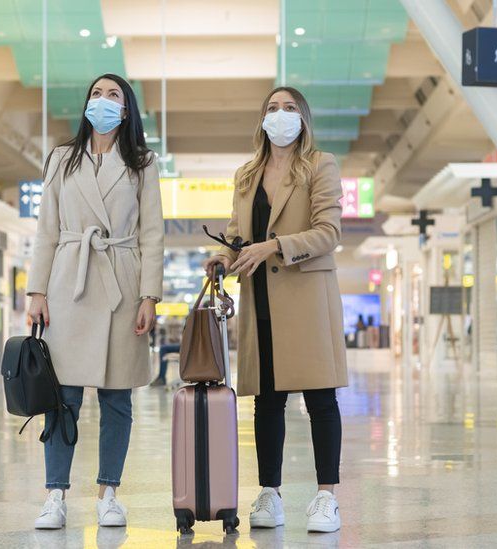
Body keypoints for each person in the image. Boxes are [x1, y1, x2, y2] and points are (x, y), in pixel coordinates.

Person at [203, 86, 348, 534]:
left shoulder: (319, 165)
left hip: (307, 297)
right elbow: (236, 234)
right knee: (267, 402)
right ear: (261, 118)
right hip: (260, 297)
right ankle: (270, 493)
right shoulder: (247, 174)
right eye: (271, 108)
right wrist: (223, 259)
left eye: (289, 108)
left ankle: (327, 497)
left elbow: (328, 232)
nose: (279, 115)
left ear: (303, 118)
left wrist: (275, 246)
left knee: (320, 399)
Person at [26, 73, 164, 530]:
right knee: (61, 396)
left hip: (121, 282)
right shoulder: (62, 159)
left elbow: (152, 233)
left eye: (113, 96)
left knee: (116, 397)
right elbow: (46, 229)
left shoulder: (142, 162)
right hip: (70, 279)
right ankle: (54, 494)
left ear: (126, 111)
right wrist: (37, 291)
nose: (102, 102)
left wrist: (150, 295)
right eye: (96, 94)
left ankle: (108, 493)